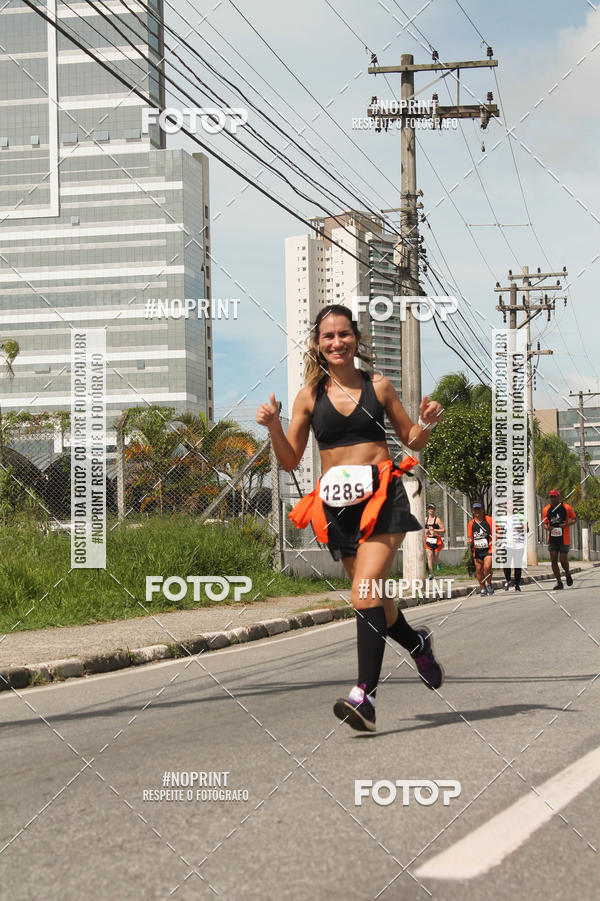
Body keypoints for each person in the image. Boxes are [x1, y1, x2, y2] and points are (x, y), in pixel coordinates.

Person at [256, 304, 444, 733]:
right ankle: (418, 644)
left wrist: (426, 423)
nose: (337, 342)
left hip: (382, 497)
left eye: (344, 334)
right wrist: (272, 427)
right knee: (374, 597)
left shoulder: (378, 386)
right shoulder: (309, 396)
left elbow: (411, 440)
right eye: (328, 336)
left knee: (364, 590)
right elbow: (289, 461)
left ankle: (366, 696)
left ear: (356, 339)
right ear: (318, 345)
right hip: (337, 508)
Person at [542, 489, 576, 590]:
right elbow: (544, 523)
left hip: (564, 537)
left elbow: (574, 519)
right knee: (553, 560)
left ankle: (567, 573)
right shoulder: (546, 509)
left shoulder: (566, 507)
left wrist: (566, 524)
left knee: (562, 559)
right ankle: (559, 582)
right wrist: (547, 527)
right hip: (552, 537)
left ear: (558, 497)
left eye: (554, 496)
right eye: (551, 496)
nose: (553, 498)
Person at [467, 501, 495, 596]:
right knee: (479, 569)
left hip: (489, 548)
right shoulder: (471, 524)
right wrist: (470, 541)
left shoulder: (489, 520)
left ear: (482, 510)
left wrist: (493, 541)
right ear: (473, 511)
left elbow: (497, 532)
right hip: (478, 549)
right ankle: (482, 587)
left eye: (479, 509)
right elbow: (470, 537)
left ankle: (489, 584)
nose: (477, 511)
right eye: (475, 509)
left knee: (487, 567)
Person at [500, 506, 526, 592]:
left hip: (518, 545)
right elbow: (499, 530)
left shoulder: (520, 516)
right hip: (506, 544)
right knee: (506, 564)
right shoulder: (502, 518)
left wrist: (521, 528)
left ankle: (517, 585)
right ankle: (508, 580)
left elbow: (527, 528)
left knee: (517, 566)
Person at [424, 502, 445, 580]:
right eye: (429, 508)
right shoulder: (425, 519)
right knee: (429, 556)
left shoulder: (437, 519)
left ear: (434, 510)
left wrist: (434, 529)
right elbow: (423, 529)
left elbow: (443, 530)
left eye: (432, 508)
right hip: (428, 540)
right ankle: (431, 574)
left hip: (436, 540)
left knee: (435, 558)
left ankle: (438, 562)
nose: (430, 510)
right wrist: (426, 531)